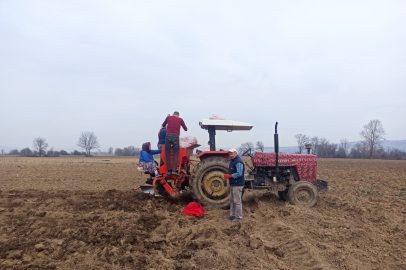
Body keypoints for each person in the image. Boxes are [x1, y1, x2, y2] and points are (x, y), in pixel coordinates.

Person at [161, 111, 187, 176]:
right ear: (178, 115)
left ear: (173, 114)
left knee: (167, 154)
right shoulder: (180, 119)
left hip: (168, 136)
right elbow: (186, 129)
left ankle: (169, 170)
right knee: (176, 154)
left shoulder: (168, 117)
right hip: (175, 136)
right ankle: (174, 170)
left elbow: (163, 125)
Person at [223, 148, 245, 222]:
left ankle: (238, 217)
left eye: (231, 154)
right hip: (233, 183)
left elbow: (239, 173)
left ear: (235, 153)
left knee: (237, 201)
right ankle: (232, 215)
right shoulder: (233, 161)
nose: (230, 155)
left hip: (238, 184)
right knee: (232, 200)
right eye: (229, 154)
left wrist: (230, 176)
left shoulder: (238, 162)